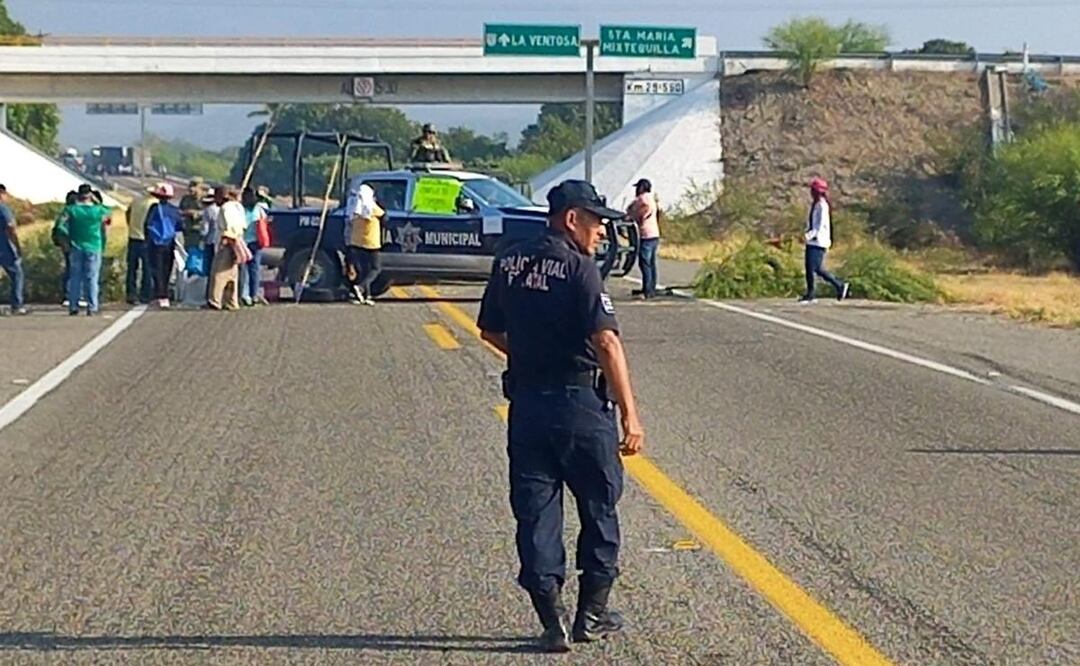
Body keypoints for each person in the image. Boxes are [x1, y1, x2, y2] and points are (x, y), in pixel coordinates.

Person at [476, 179, 645, 653]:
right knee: (599, 505)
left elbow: (489, 329)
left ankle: (551, 620)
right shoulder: (579, 267)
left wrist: (530, 354)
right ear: (571, 219)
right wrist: (630, 414)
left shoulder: (510, 261)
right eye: (596, 222)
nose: (601, 232)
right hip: (580, 405)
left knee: (536, 512)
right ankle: (591, 614)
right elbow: (606, 341)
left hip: (529, 405)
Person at [55, 183, 112, 316]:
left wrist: (66, 238)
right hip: (94, 245)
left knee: (75, 277)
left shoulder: (71, 210)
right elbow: (108, 213)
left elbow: (59, 225)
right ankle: (92, 306)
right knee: (92, 277)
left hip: (76, 245)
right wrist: (96, 200)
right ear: (90, 195)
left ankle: (73, 305)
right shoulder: (99, 210)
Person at [800, 177, 850, 304]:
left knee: (815, 268)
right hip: (813, 241)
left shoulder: (822, 206)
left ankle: (838, 285)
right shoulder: (816, 205)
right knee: (811, 268)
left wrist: (807, 236)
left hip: (819, 241)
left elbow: (819, 226)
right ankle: (812, 292)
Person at [206, 187, 247, 311]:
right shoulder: (238, 207)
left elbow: (229, 226)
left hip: (228, 242)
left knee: (218, 273)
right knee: (232, 275)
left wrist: (225, 240)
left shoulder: (225, 208)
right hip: (238, 241)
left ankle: (215, 300)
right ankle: (231, 301)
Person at [145, 183, 184, 309]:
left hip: (155, 242)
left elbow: (147, 224)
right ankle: (165, 296)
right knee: (167, 269)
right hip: (169, 242)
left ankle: (159, 296)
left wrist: (147, 239)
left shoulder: (154, 208)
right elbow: (179, 226)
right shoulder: (174, 210)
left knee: (156, 269)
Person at [344, 183, 384, 305]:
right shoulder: (372, 208)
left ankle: (365, 296)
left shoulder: (355, 208)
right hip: (371, 243)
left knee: (363, 270)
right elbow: (385, 216)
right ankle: (361, 287)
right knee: (376, 268)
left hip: (356, 242)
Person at [625, 178, 661, 299]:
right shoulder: (651, 198)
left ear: (641, 188)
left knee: (644, 263)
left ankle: (647, 290)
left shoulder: (642, 199)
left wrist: (634, 216)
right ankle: (651, 288)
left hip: (646, 234)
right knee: (651, 263)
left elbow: (640, 209)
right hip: (654, 233)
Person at [125, 184, 157, 305]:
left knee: (132, 268)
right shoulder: (154, 203)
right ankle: (145, 294)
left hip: (133, 236)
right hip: (146, 238)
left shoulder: (136, 200)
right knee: (147, 268)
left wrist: (131, 226)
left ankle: (131, 293)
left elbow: (127, 214)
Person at [0, 184, 28, 315]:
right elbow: (10, 227)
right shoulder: (3, 209)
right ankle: (17, 305)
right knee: (17, 274)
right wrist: (16, 244)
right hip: (4, 246)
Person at [239, 187, 268, 306]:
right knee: (253, 270)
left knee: (244, 271)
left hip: (244, 242)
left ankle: (245, 295)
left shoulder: (241, 209)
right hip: (254, 242)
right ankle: (253, 295)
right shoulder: (259, 209)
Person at [178, 177, 205, 250]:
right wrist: (185, 213)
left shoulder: (204, 199)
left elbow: (209, 213)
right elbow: (179, 211)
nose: (192, 188)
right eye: (191, 185)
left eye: (195, 186)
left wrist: (195, 213)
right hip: (186, 230)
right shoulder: (185, 198)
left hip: (197, 231)